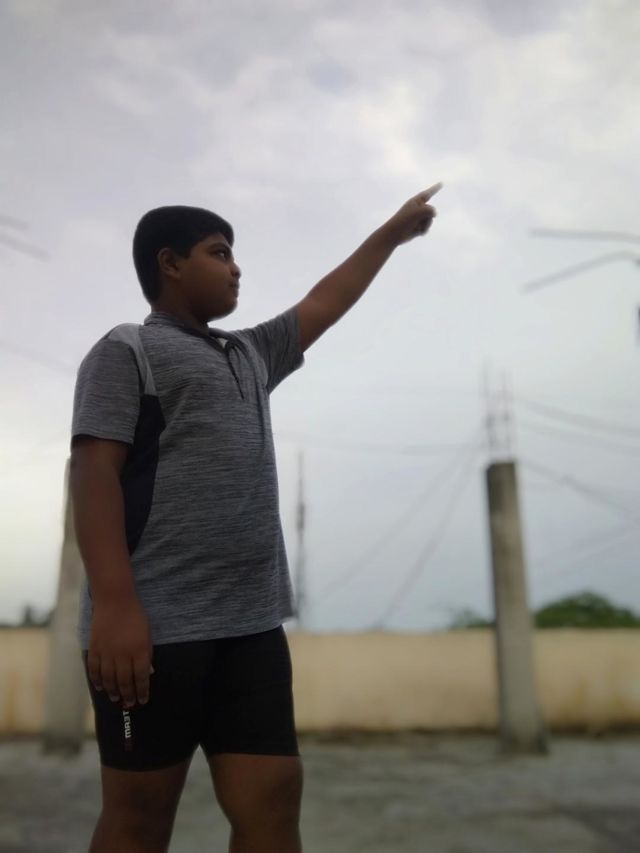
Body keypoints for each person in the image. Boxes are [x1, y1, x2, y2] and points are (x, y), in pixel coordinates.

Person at [69, 182, 442, 853]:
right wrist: (116, 606)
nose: (236, 267)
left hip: (251, 626)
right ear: (169, 263)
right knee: (140, 816)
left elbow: (325, 302)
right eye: (219, 252)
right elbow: (93, 473)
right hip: (154, 630)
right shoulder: (127, 349)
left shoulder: (250, 353)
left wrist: (392, 232)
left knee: (273, 798)